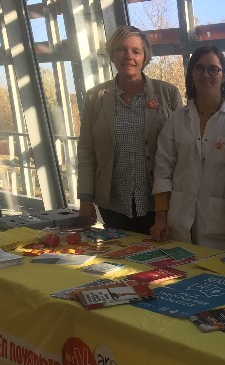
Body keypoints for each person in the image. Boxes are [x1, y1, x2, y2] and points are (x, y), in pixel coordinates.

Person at [77, 25, 182, 234]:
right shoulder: (95, 97)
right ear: (112, 54)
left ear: (145, 56)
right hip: (113, 203)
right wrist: (85, 199)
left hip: (159, 204)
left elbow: (181, 149)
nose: (128, 56)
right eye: (121, 49)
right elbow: (87, 153)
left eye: (136, 51)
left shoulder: (168, 94)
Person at [150, 45, 225, 251]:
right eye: (199, 68)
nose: (206, 74)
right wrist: (161, 218)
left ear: (223, 76)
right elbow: (163, 171)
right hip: (177, 223)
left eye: (213, 69)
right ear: (192, 74)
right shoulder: (176, 120)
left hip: (223, 226)